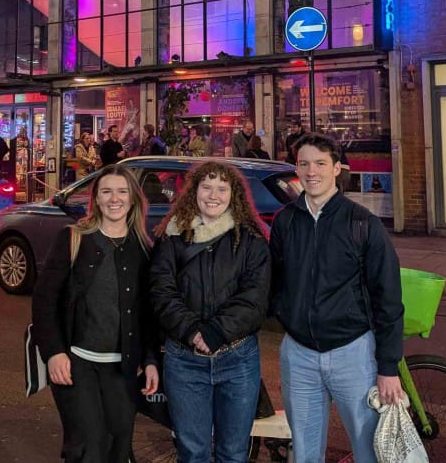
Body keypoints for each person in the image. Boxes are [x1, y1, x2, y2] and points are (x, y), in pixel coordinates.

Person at [270, 133, 405, 462]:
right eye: (303, 164)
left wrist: (387, 366)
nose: (311, 171)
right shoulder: (285, 221)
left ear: (337, 169)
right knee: (304, 452)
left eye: (320, 163)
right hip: (299, 356)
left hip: (353, 355)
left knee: (368, 450)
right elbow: (274, 282)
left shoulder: (363, 223)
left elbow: (387, 298)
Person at [32, 165, 159, 463]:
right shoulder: (73, 239)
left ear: (133, 200)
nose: (114, 199)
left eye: (121, 191)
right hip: (77, 364)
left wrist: (152, 360)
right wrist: (53, 353)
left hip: (123, 368)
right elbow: (44, 300)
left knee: (119, 446)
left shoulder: (144, 249)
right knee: (87, 447)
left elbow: (149, 314)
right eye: (106, 192)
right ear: (96, 199)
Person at [149, 160, 271, 463]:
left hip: (238, 360)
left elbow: (255, 297)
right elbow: (161, 291)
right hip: (184, 361)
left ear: (234, 195)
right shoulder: (172, 236)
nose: (213, 195)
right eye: (206, 187)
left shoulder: (251, 239)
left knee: (233, 452)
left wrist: (216, 331)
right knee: (192, 452)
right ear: (194, 191)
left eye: (221, 188)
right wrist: (192, 330)